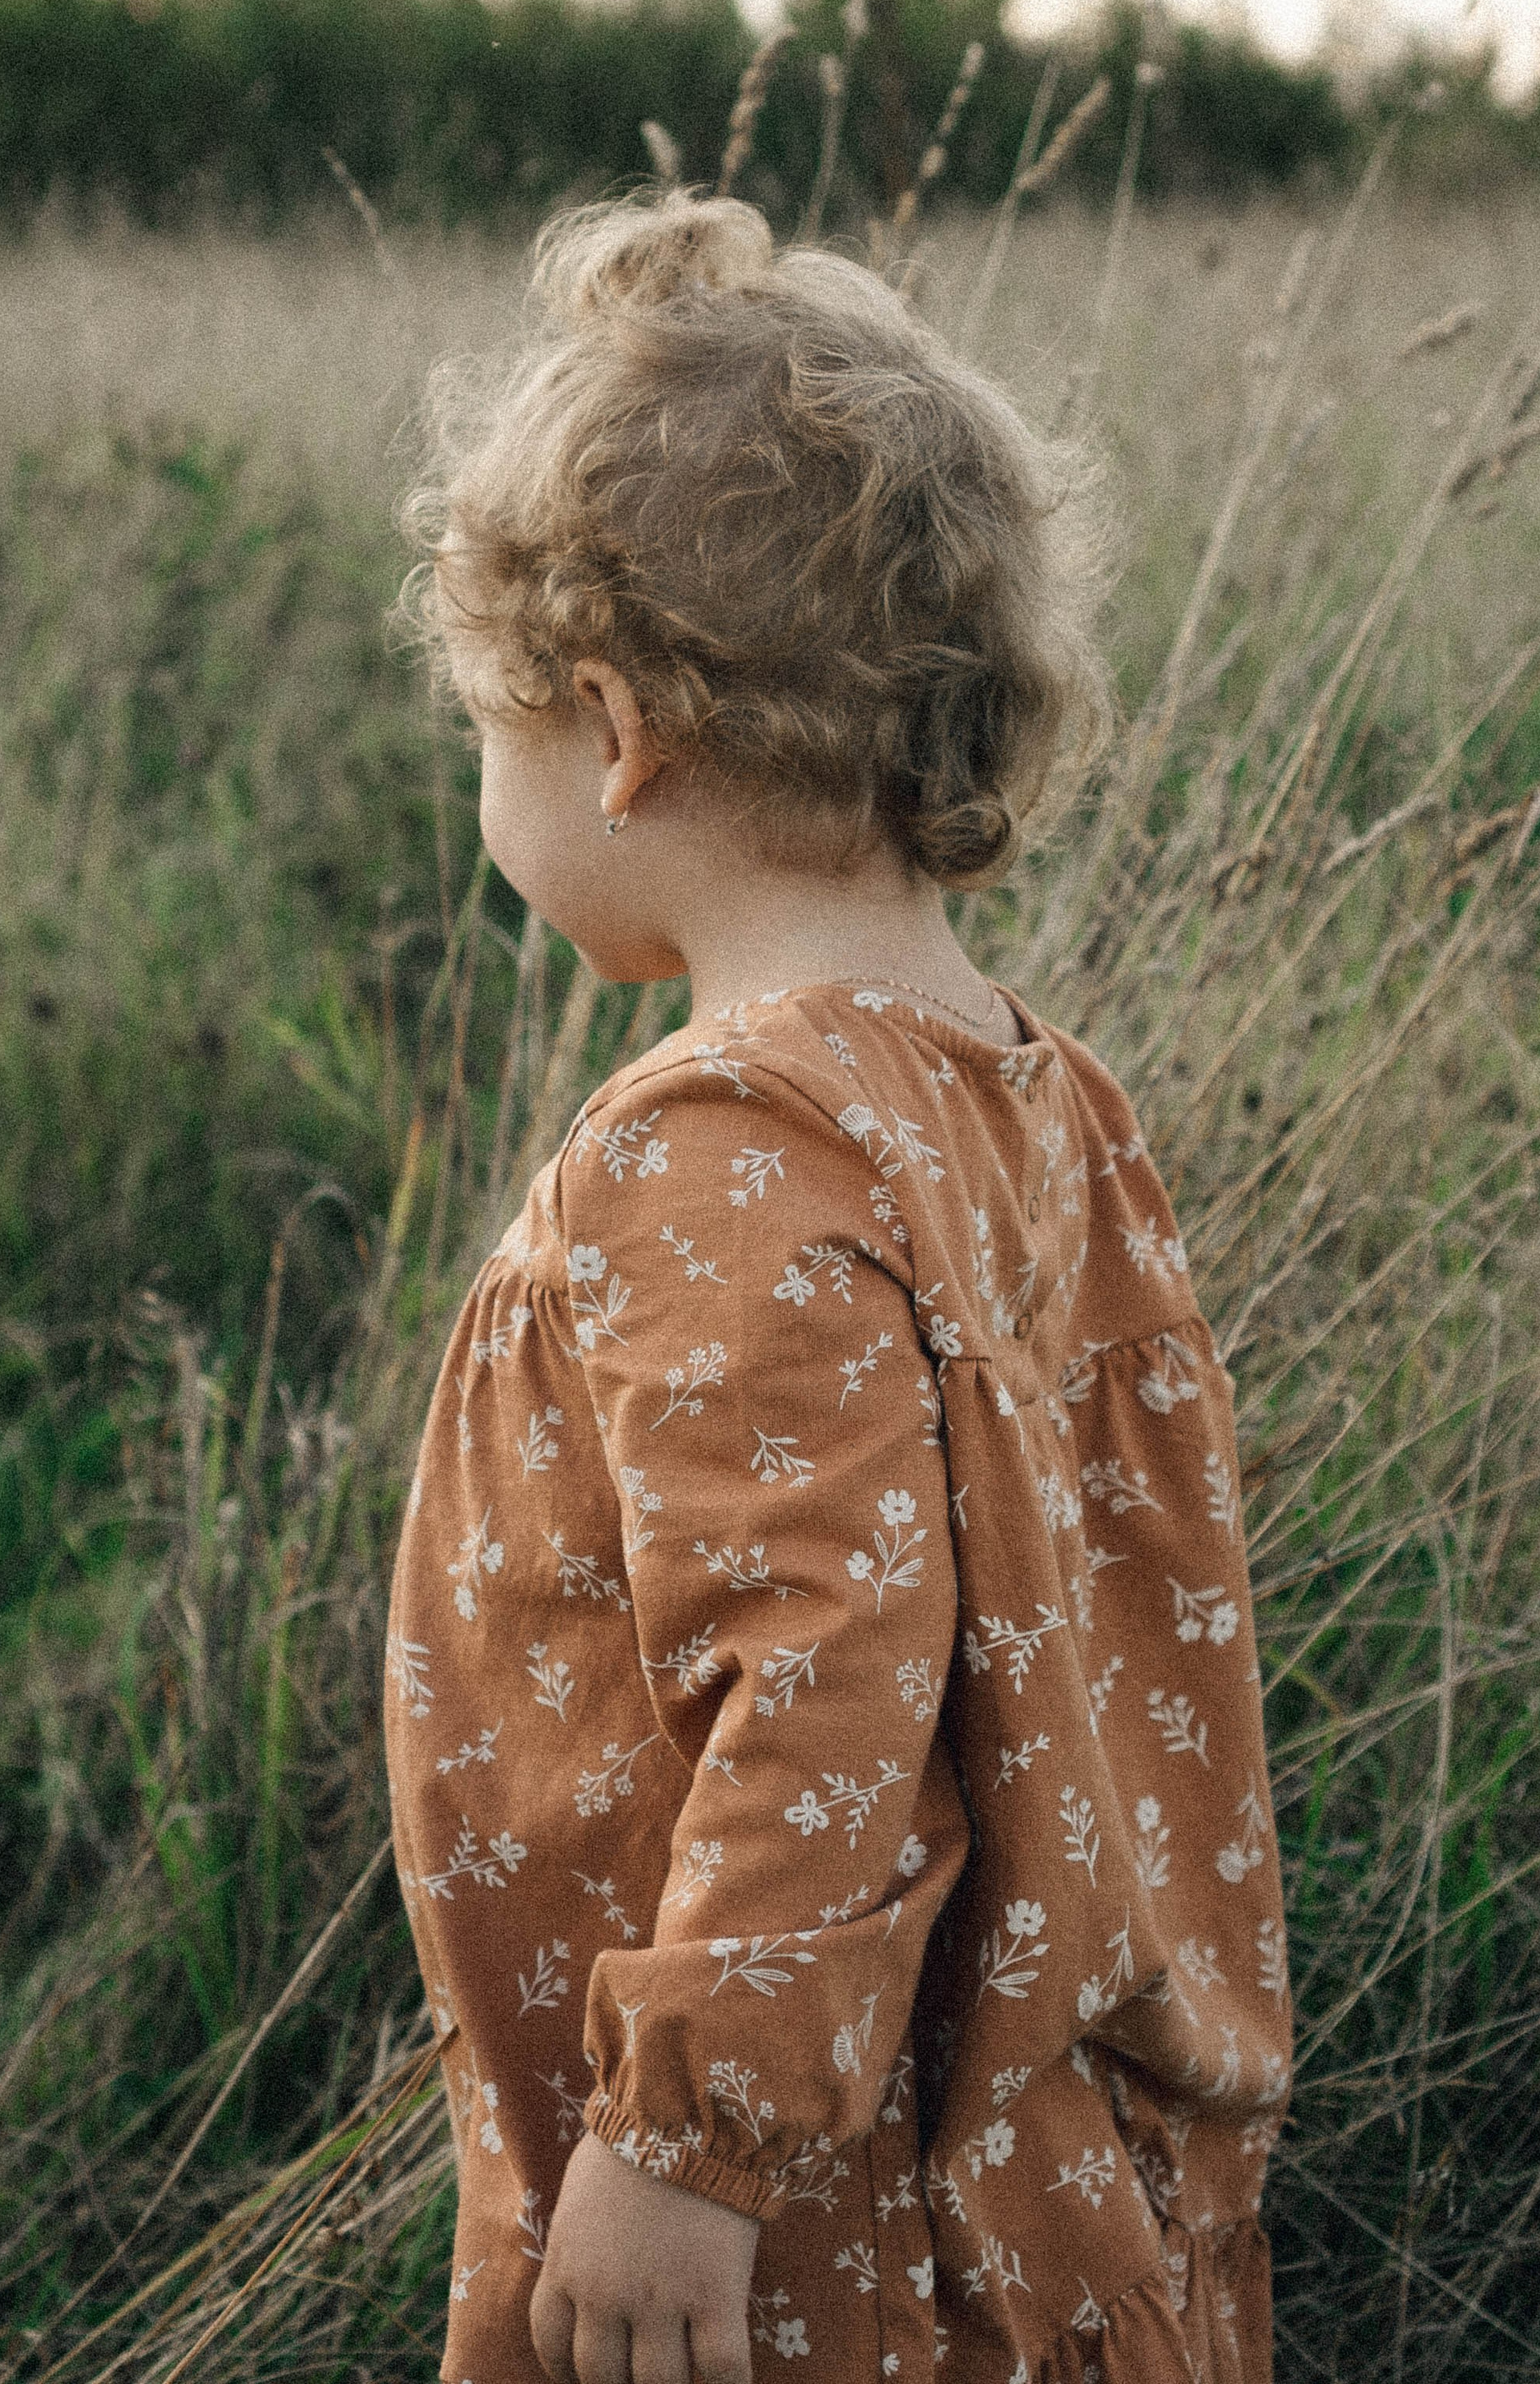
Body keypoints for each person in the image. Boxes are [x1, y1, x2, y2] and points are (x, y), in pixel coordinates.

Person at [383, 194, 1289, 2384]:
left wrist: (684, 2142)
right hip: (1030, 2129)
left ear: (611, 731)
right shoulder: (1037, 1098)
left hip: (805, 2228)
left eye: (491, 729)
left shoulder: (710, 1156)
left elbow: (826, 1676)